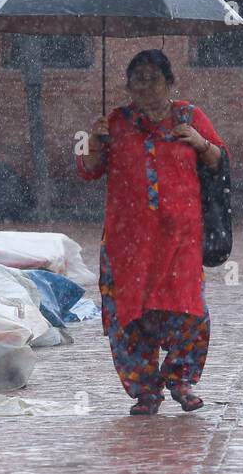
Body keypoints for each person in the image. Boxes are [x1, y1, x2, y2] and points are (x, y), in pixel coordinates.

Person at [78, 49, 227, 415]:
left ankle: (182, 380)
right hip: (126, 243)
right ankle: (145, 391)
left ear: (170, 82)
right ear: (127, 84)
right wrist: (96, 141)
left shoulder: (189, 117)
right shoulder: (114, 122)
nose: (145, 86)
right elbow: (87, 170)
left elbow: (219, 160)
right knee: (129, 315)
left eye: (153, 78)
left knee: (188, 310)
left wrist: (199, 142)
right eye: (137, 79)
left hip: (180, 240)